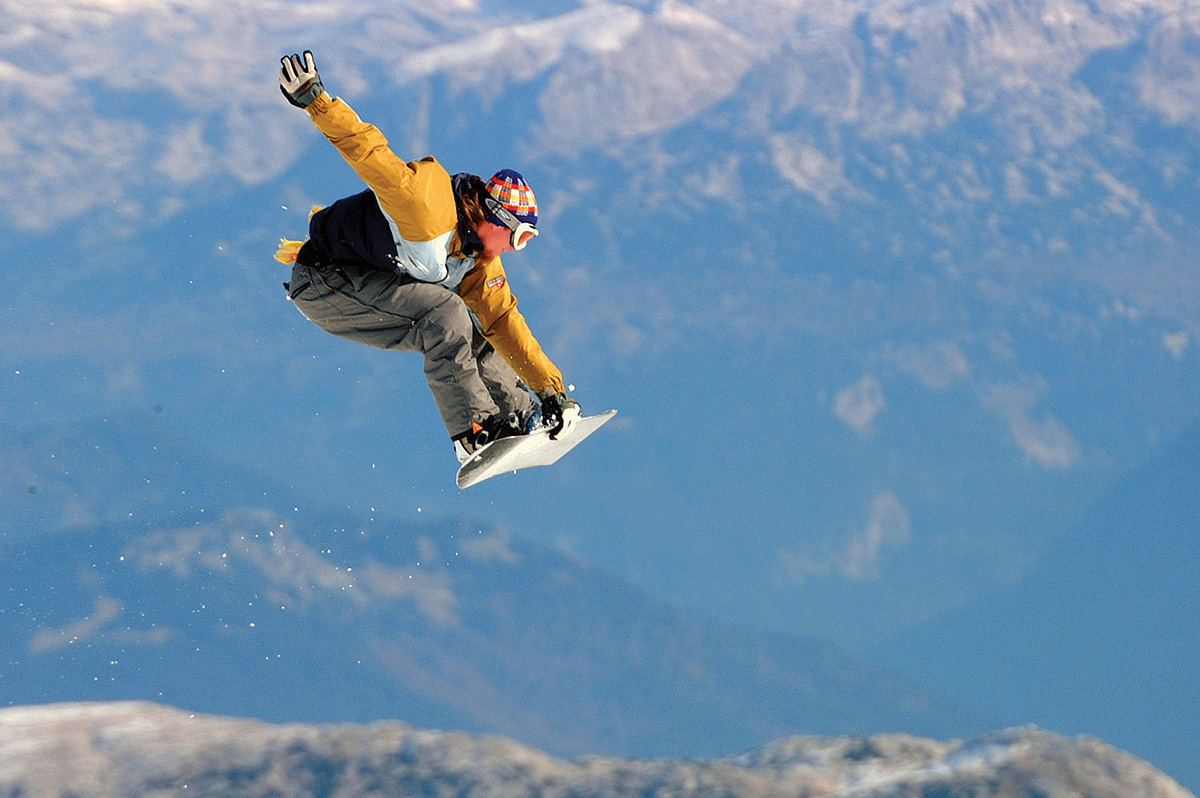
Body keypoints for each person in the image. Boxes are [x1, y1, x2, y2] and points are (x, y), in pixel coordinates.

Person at [274, 51, 580, 464]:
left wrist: (551, 392)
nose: (516, 248)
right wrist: (316, 102)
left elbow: (504, 322)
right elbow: (369, 151)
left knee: (472, 323)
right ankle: (474, 433)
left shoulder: (476, 259)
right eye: (520, 236)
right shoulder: (424, 206)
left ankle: (523, 414)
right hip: (323, 282)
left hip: (366, 283)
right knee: (446, 313)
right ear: (495, 219)